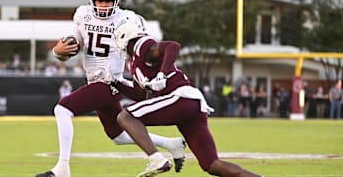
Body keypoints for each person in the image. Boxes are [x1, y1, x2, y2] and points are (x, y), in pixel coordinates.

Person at [35, 0, 185, 177]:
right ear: (92, 1)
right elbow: (72, 45)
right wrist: (57, 51)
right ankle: (170, 144)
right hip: (100, 83)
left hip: (108, 81)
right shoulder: (83, 14)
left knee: (62, 109)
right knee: (118, 136)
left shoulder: (128, 18)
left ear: (116, 2)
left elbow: (143, 48)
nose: (103, 6)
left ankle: (62, 168)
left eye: (108, 2)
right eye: (99, 1)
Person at [111, 14, 263, 177]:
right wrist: (114, 82)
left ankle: (157, 159)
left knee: (125, 117)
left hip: (180, 97)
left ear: (125, 35)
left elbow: (172, 46)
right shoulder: (134, 62)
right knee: (212, 165)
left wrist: (162, 74)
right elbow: (139, 96)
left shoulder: (142, 45)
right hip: (190, 105)